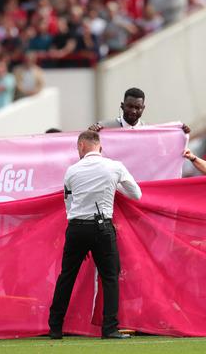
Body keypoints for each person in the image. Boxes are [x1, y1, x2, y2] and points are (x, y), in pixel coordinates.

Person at [48, 130, 142, 340]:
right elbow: (136, 194)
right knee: (110, 277)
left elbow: (68, 203)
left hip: (77, 227)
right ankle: (109, 328)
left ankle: (55, 327)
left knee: (67, 276)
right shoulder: (115, 167)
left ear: (81, 146)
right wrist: (114, 184)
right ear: (99, 146)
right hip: (102, 227)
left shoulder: (72, 171)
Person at [89, 87, 191, 133]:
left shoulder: (151, 130)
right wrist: (90, 133)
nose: (133, 111)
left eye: (138, 108)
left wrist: (180, 133)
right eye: (130, 106)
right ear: (122, 106)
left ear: (143, 108)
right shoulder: (104, 127)